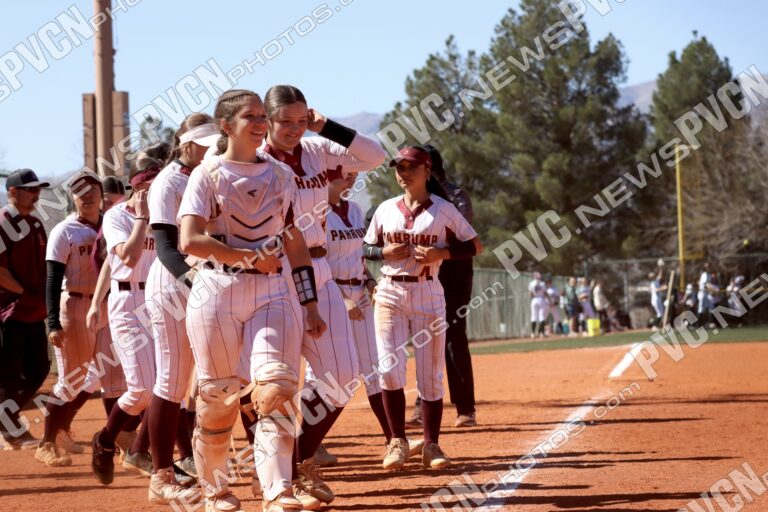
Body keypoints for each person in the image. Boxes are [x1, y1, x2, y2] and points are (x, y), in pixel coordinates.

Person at [179, 88, 326, 512]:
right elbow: (190, 240)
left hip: (273, 291)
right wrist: (248, 257)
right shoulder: (206, 175)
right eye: (251, 117)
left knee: (278, 387)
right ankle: (216, 492)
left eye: (263, 116)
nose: (261, 124)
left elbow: (294, 243)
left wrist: (310, 303)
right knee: (220, 398)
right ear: (226, 126)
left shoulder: (281, 175)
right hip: (217, 291)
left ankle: (278, 491)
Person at [262, 84, 387, 505]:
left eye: (301, 120)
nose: (295, 128)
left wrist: (326, 126)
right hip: (274, 273)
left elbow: (374, 156)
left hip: (320, 268)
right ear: (267, 121)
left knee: (344, 376)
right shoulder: (257, 160)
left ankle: (299, 459)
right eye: (286, 121)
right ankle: (278, 482)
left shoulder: (316, 149)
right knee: (276, 384)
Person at [364, 145, 482, 471]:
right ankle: (397, 442)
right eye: (399, 168)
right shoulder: (385, 209)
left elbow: (474, 245)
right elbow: (365, 248)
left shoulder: (444, 209)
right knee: (389, 368)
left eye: (411, 167)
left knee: (430, 374)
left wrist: (441, 254)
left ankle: (431, 445)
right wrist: (383, 253)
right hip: (390, 292)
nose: (404, 173)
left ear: (427, 171)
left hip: (428, 291)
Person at [322, 170, 425, 464]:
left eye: (354, 175)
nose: (351, 180)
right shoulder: (315, 214)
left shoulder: (354, 210)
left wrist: (369, 281)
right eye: (345, 175)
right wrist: (341, 299)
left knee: (375, 369)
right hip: (329, 294)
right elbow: (316, 261)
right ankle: (308, 443)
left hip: (360, 294)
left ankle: (395, 440)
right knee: (325, 376)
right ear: (326, 177)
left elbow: (358, 255)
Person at [144, 113, 217, 505]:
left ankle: (208, 465)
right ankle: (161, 476)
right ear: (186, 143)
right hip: (173, 283)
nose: (209, 150)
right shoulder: (168, 181)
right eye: (203, 144)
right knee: (172, 380)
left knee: (218, 376)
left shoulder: (209, 173)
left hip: (208, 281)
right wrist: (195, 282)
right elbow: (166, 247)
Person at [89, 151, 160, 486]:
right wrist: (142, 219)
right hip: (128, 301)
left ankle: (148, 455)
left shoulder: (166, 213)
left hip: (160, 301)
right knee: (142, 389)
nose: (154, 190)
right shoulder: (118, 215)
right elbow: (126, 259)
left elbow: (108, 262)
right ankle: (105, 439)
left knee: (166, 388)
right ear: (136, 186)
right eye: (148, 184)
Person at [37, 170, 103, 467]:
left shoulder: (109, 225)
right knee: (70, 380)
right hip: (74, 305)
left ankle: (61, 429)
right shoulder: (64, 231)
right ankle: (47, 443)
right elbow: (52, 279)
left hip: (104, 306)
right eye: (79, 191)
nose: (86, 195)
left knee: (98, 375)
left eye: (92, 190)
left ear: (101, 194)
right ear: (72, 197)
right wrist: (53, 323)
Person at [0, 169, 50, 451]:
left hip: (35, 311)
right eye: (30, 189)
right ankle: (11, 431)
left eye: (37, 189)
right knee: (9, 375)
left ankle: (4, 420)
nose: (36, 194)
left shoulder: (35, 223)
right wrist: (23, 292)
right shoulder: (3, 222)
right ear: (12, 192)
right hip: (9, 312)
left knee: (39, 369)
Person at [528, 272, 547, 338]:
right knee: (542, 316)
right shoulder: (543, 283)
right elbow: (545, 293)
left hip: (534, 299)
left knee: (533, 316)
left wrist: (532, 297)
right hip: (541, 299)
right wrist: (549, 299)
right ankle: (541, 333)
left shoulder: (531, 283)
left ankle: (533, 333)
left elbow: (530, 293)